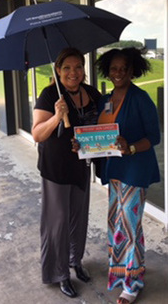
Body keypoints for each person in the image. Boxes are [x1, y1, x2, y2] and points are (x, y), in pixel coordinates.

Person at [31, 48, 101, 298]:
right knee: (57, 224)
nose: (74, 72)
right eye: (67, 68)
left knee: (78, 219)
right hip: (56, 168)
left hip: (81, 166)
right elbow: (38, 133)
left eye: (78, 67)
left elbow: (100, 126)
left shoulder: (91, 93)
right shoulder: (50, 95)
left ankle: (75, 261)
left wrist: (89, 142)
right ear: (58, 71)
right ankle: (59, 274)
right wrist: (57, 116)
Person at [96, 47, 160, 304]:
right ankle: (124, 270)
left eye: (124, 68)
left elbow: (153, 137)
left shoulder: (141, 98)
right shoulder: (106, 99)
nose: (119, 73)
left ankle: (132, 284)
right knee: (116, 224)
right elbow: (100, 133)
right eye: (114, 69)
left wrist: (130, 147)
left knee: (130, 227)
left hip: (135, 171)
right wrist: (84, 144)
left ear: (133, 70)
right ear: (107, 72)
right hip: (114, 171)